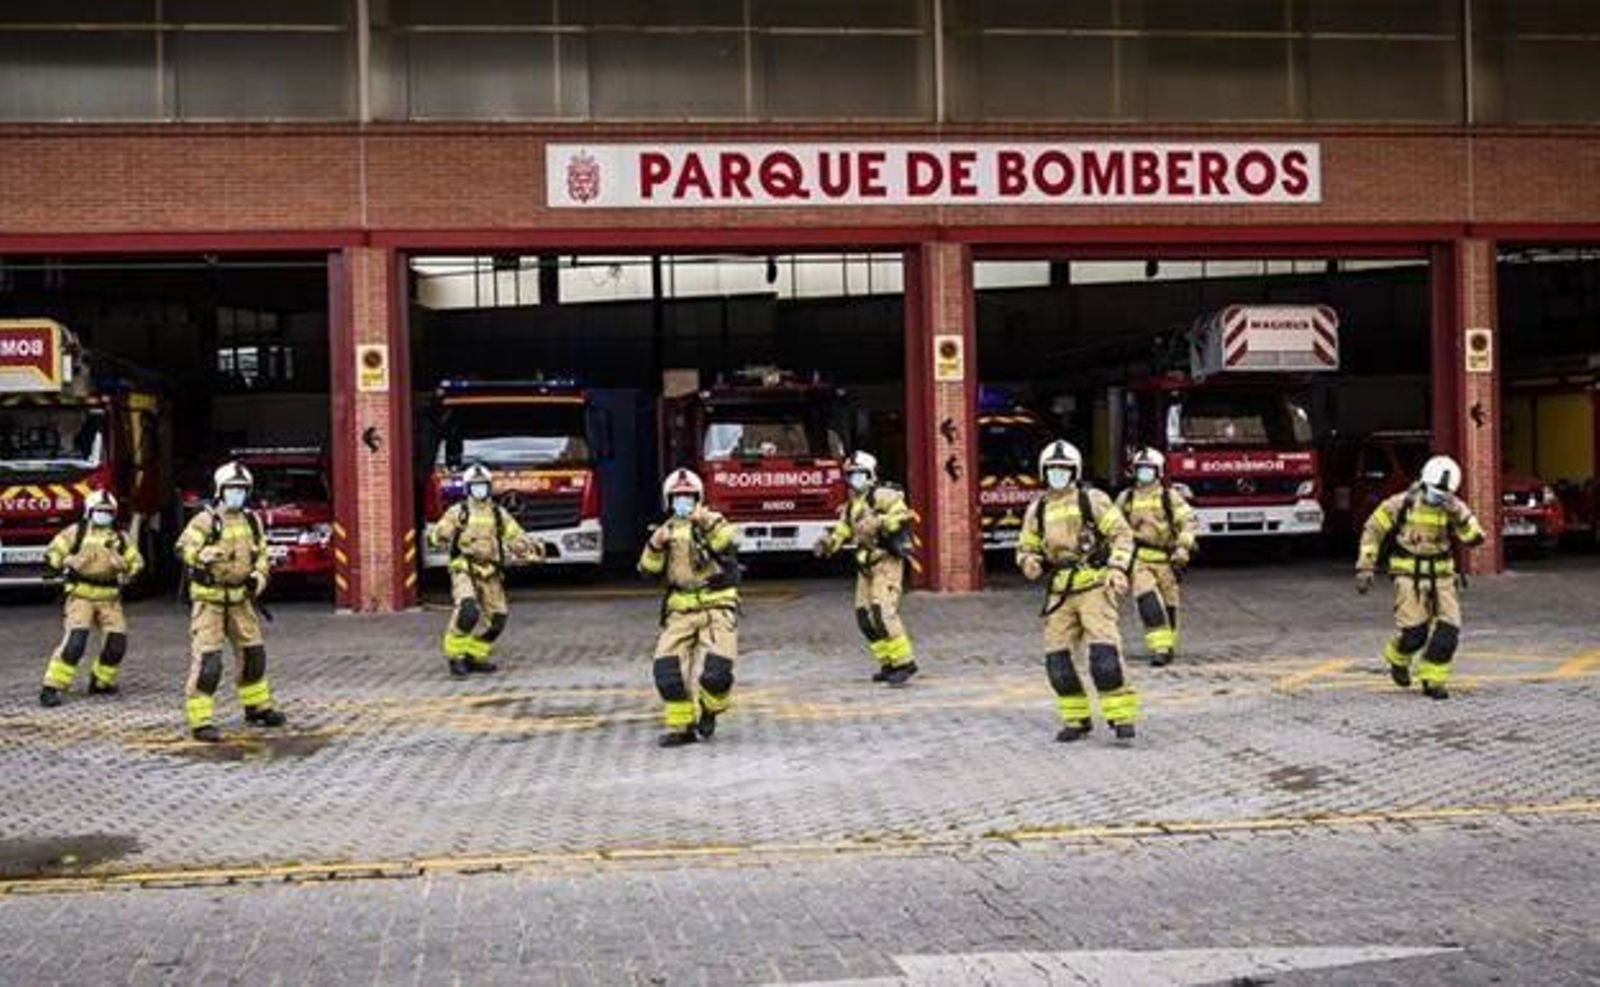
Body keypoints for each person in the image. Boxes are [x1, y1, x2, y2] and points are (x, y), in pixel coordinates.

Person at [1016, 440, 1139, 742]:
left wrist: (1117, 568)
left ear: (1075, 471)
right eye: (1052, 469)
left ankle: (1121, 717)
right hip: (1060, 592)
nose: (1058, 474)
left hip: (1095, 585)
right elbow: (1026, 545)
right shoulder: (1037, 509)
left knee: (1104, 658)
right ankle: (1076, 719)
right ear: (1043, 472)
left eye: (1064, 469)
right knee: (1057, 662)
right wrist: (1028, 561)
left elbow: (1122, 534)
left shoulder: (1092, 500)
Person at [1356, 454, 1486, 700]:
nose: (1438, 498)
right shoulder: (1401, 503)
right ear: (1424, 482)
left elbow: (1475, 538)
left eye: (1444, 494)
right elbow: (1373, 529)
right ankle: (1398, 657)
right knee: (1414, 635)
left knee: (1448, 633)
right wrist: (1365, 567)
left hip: (1442, 578)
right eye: (1435, 492)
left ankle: (1433, 680)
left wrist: (1459, 516)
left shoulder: (1454, 506)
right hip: (1408, 577)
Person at [175, 461, 286, 742]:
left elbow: (262, 557)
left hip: (241, 601)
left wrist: (257, 579)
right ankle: (201, 721)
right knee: (209, 662)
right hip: (209, 602)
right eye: (232, 489)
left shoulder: (252, 521)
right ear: (220, 491)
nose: (237, 494)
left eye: (242, 489)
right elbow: (183, 547)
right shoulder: (205, 520)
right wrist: (199, 557)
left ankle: (257, 708)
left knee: (253, 655)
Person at [639, 468, 740, 748]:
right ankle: (681, 728)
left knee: (717, 674)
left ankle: (709, 710)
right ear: (668, 501)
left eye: (688, 496)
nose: (683, 502)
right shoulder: (664, 531)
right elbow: (648, 570)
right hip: (680, 610)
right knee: (667, 672)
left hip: (717, 606)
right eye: (677, 497)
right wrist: (654, 545)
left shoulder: (712, 521)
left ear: (698, 498)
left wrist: (704, 521)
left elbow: (728, 543)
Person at [428, 463, 544, 678]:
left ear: (489, 487)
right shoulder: (458, 512)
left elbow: (515, 536)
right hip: (464, 568)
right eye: (475, 486)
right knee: (468, 610)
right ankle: (456, 657)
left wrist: (527, 548)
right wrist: (440, 535)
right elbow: (436, 536)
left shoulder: (498, 514)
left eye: (483, 485)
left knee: (497, 618)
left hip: (491, 570)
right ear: (467, 488)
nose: (480, 489)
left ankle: (473, 656)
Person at [813, 450, 919, 685]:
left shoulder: (883, 495)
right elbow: (843, 530)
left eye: (859, 474)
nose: (854, 480)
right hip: (866, 567)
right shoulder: (852, 505)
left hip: (885, 562)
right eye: (850, 475)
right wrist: (828, 544)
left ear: (870, 474)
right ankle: (888, 662)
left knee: (883, 612)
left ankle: (905, 663)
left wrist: (879, 522)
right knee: (865, 617)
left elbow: (903, 516)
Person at [38, 490, 144, 707]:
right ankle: (52, 687)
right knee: (75, 643)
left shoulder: (120, 538)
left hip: (110, 599)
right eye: (100, 510)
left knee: (116, 644)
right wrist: (68, 561)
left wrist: (125, 566)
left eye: (108, 511)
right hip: (81, 596)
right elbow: (52, 553)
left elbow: (137, 563)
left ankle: (101, 681)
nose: (104, 515)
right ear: (89, 511)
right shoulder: (76, 532)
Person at [1115, 447, 1198, 667]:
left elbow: (1188, 522)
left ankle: (1167, 645)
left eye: (1148, 469)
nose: (1144, 473)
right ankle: (1159, 648)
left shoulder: (1170, 497)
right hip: (1139, 559)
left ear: (1158, 471)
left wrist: (1183, 547)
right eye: (1140, 468)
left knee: (1169, 606)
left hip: (1167, 560)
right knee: (1148, 601)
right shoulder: (1126, 498)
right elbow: (1115, 528)